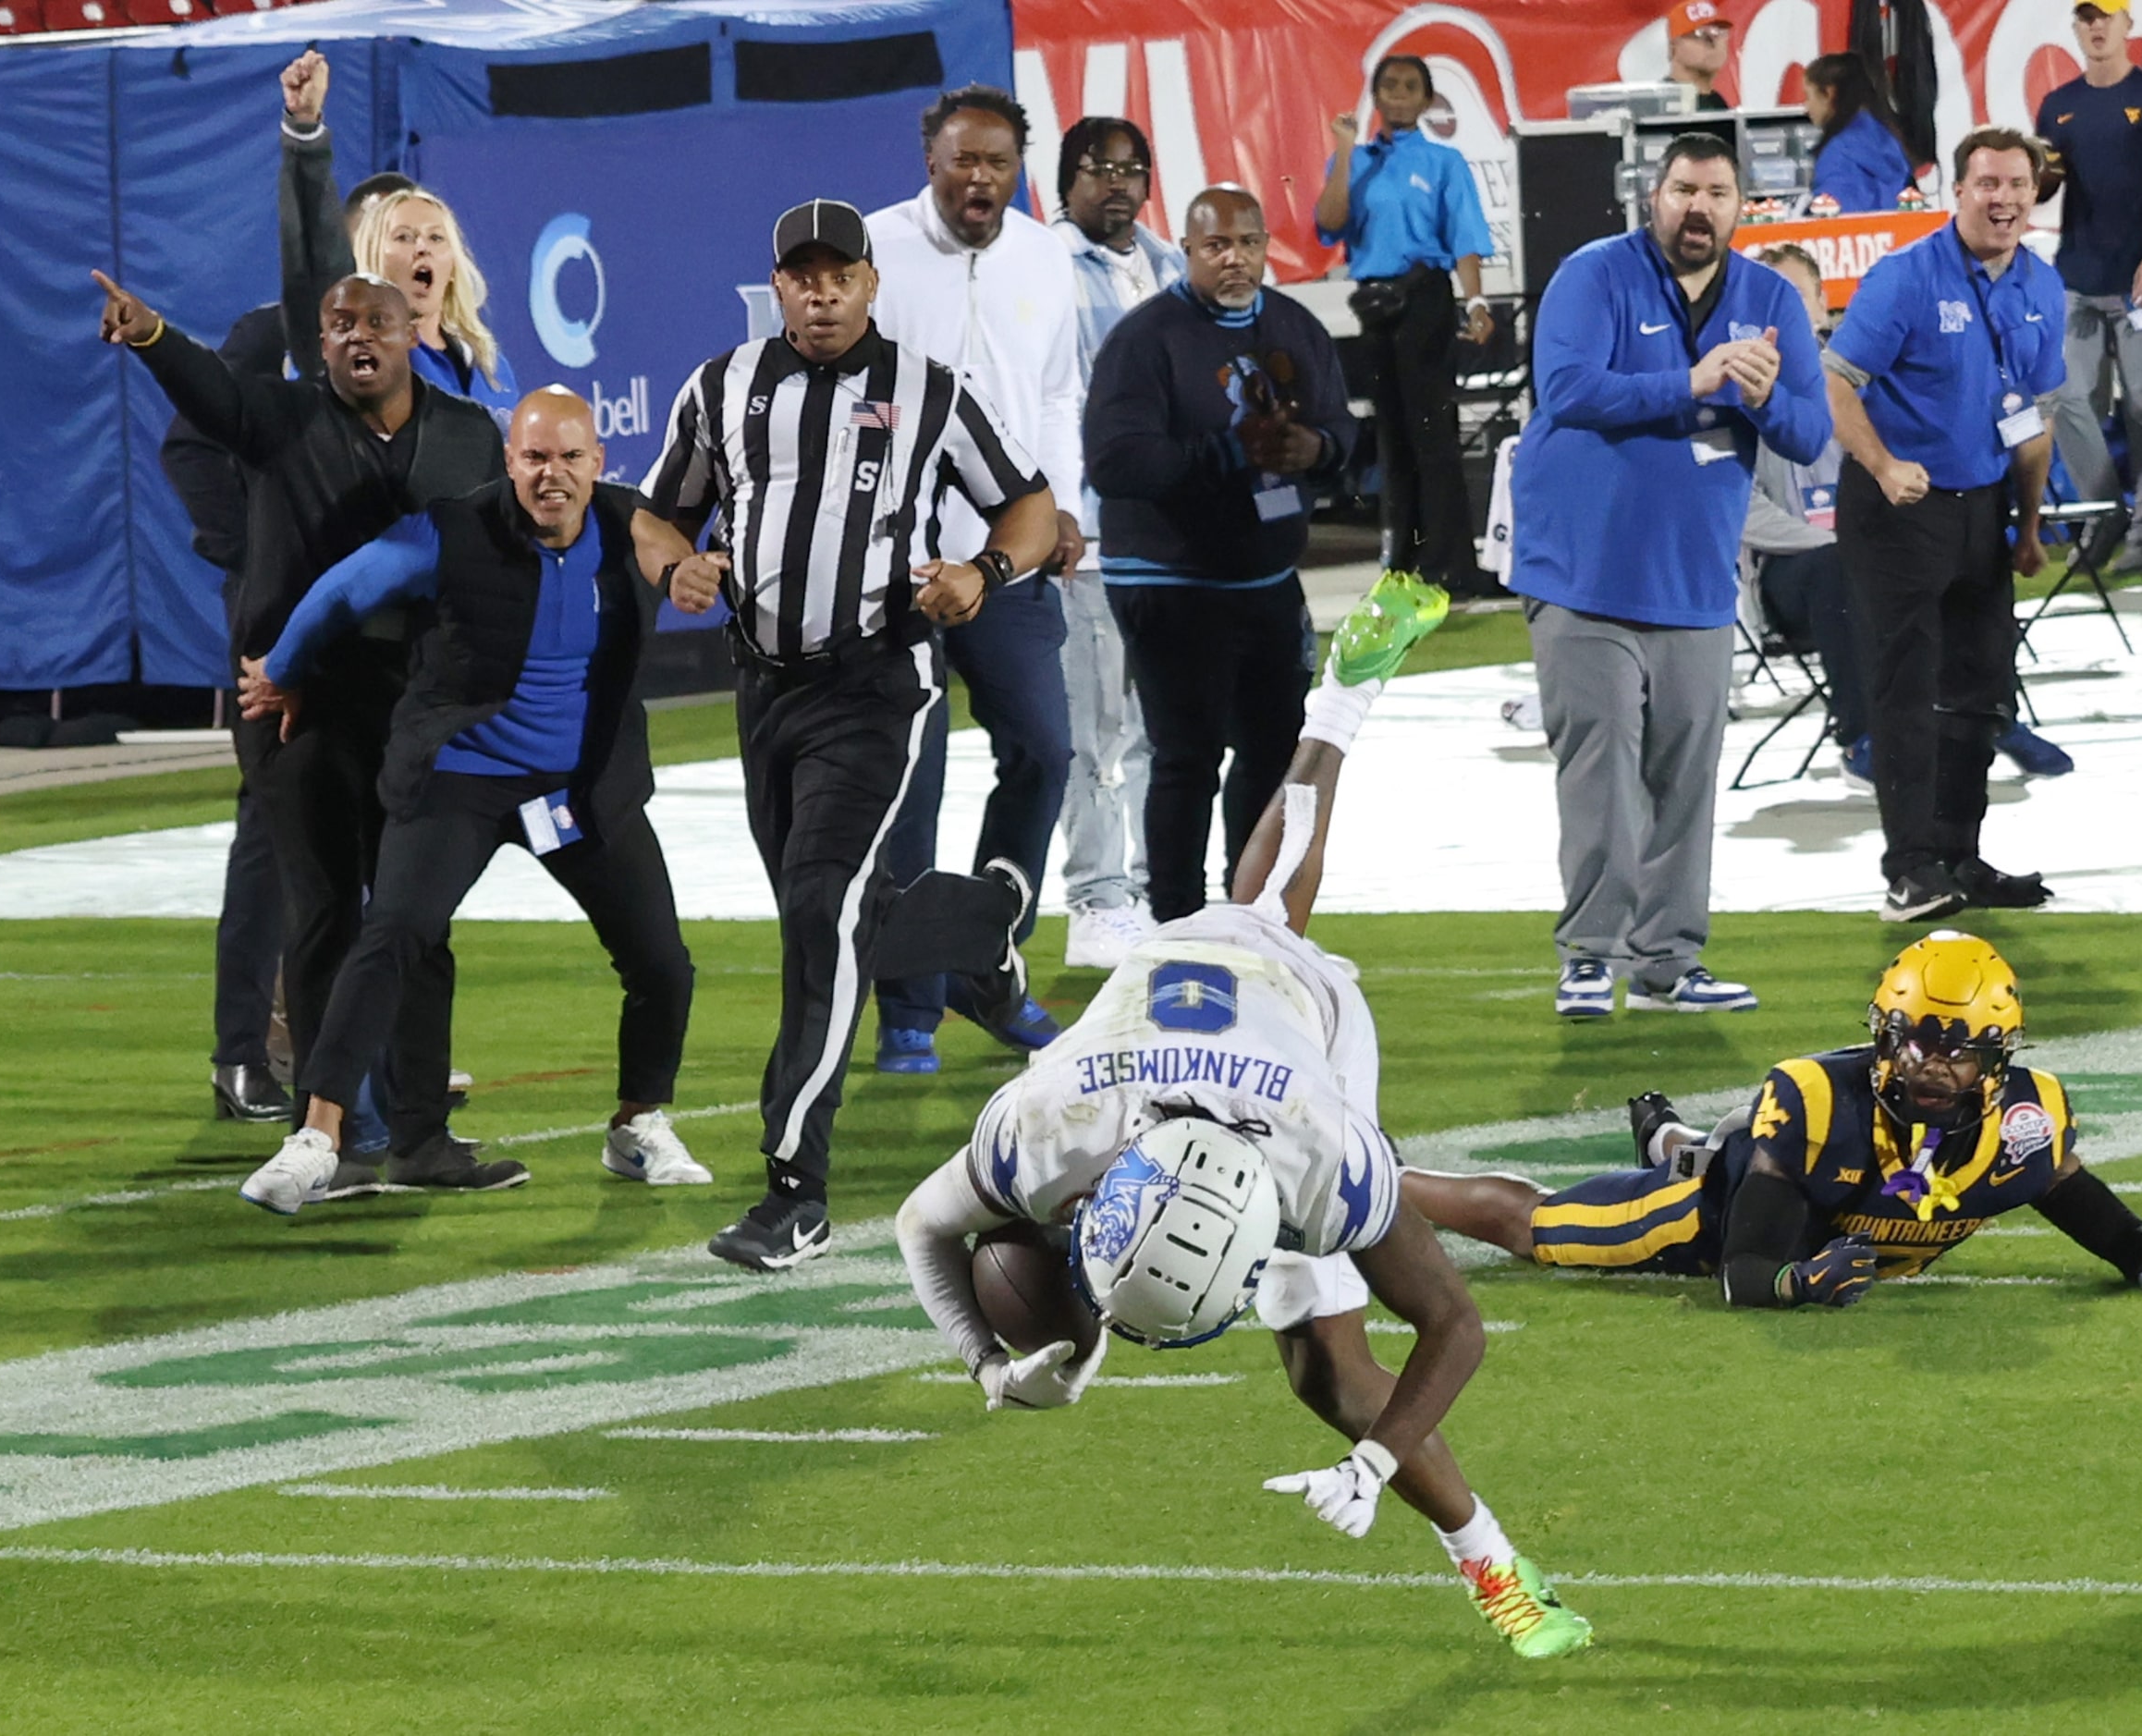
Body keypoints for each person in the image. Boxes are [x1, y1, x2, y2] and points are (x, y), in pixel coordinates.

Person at [892, 578, 1594, 1660]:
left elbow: (1454, 1326)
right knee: (1256, 900)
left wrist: (1373, 1462)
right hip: (1166, 998)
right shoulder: (1050, 1125)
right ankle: (1338, 702)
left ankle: (1496, 1566)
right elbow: (919, 1228)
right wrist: (987, 1364)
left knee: (1325, 1372)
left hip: (1303, 1026)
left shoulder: (1322, 1164)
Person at [633, 199, 1058, 1272]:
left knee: (818, 917)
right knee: (826, 911)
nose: (820, 293)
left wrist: (984, 573)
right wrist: (670, 565)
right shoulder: (722, 385)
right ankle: (976, 936)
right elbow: (654, 511)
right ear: (775, 287)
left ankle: (795, 1191)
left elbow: (1031, 506)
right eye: (800, 276)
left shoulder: (926, 391)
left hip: (878, 684)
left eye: (839, 275)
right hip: (764, 689)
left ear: (871, 282)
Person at [228, 389, 704, 1211]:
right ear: (509, 461)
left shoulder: (626, 523)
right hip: (463, 777)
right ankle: (317, 1139)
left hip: (577, 791)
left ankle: (637, 1125)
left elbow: (666, 551)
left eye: (569, 457)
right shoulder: (450, 530)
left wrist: (689, 573)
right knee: (394, 936)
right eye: (533, 458)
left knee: (662, 963)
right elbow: (343, 590)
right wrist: (283, 669)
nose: (550, 474)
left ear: (598, 463)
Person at [100, 265, 507, 1175]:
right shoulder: (282, 422)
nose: (357, 336)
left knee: (414, 918)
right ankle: (332, 1134)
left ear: (412, 337)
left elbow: (488, 574)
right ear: (318, 345)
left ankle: (419, 1131)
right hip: (296, 708)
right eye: (338, 324)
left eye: (376, 321)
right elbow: (208, 392)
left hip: (414, 710)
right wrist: (154, 336)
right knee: (324, 912)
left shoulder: (470, 438)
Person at [1403, 932, 2142, 1305]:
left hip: (1792, 1179)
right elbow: (1743, 1268)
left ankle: (1672, 1139)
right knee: (1540, 1228)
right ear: (1883, 1037)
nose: (1935, 1065)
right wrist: (1795, 1284)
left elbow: (2101, 1218)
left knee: (1714, 1148)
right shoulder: (1820, 1103)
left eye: (1960, 1050)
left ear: (1997, 1057)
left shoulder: (2027, 1121)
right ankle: (1378, 1178)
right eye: (1917, 1042)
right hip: (1717, 1217)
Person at [1505, 136, 1825, 1021]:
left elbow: (1806, 431)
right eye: (1684, 189)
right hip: (1582, 574)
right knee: (1601, 770)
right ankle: (1588, 957)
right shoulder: (1594, 275)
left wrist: (1758, 394)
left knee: (1685, 778)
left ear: (1740, 206)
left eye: (1718, 193)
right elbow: (1567, 387)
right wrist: (1695, 381)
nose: (1699, 207)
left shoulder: (1768, 301)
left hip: (1694, 583)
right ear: (1654, 196)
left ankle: (1668, 963)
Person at [162, 163, 419, 1127]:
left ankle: (383, 1071)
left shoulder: (429, 356)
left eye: (420, 241)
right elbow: (191, 447)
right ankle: (247, 1053)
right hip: (286, 641)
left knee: (389, 856)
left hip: (388, 648)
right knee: (278, 848)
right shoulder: (274, 338)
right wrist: (260, 552)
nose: (409, 256)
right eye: (392, 239)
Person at [863, 85, 1085, 1072]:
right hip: (894, 571)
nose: (979, 178)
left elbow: (1056, 391)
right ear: (930, 161)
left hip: (1009, 560)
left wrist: (1064, 502)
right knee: (910, 790)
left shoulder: (1045, 254)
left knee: (1044, 751)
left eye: (997, 162)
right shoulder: (871, 250)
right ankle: (908, 1004)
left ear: (1017, 168)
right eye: (962, 160)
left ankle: (986, 963)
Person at [1086, 187, 1359, 924]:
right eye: (1215, 246)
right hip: (1171, 580)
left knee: (1274, 756)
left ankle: (1250, 918)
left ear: (1267, 245)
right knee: (1186, 757)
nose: (1233, 259)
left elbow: (1344, 431)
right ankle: (1174, 925)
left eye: (1247, 243)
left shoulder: (1295, 326)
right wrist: (1227, 453)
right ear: (1187, 250)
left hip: (1266, 577)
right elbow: (1113, 463)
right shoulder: (1145, 340)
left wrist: (1318, 448)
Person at [1823, 128, 2066, 923]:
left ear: (2035, 194)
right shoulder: (1906, 278)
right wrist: (1885, 465)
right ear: (1955, 192)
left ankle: (1959, 855)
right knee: (1906, 689)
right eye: (1987, 183)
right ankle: (1910, 870)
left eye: (2017, 185)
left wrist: (2028, 528)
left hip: (1982, 504)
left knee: (1981, 691)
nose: (2003, 198)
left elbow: (2034, 418)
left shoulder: (2042, 286)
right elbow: (1837, 382)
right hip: (1899, 508)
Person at [1049, 115, 1180, 969]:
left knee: (1158, 727)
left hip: (1171, 538)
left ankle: (1153, 889)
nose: (1119, 185)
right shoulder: (1046, 268)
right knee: (1092, 727)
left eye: (1132, 169)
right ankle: (1095, 900)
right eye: (1099, 170)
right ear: (1064, 184)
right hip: (1090, 534)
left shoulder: (1171, 264)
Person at [1316, 54, 1499, 599]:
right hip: (1375, 307)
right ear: (1374, 96)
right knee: (1392, 438)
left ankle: (1451, 565)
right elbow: (1328, 224)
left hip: (1424, 301)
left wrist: (1476, 303)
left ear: (1426, 100)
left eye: (1409, 87)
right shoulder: (1356, 160)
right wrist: (1345, 153)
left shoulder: (1444, 162)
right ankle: (1405, 561)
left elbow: (1464, 237)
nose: (1397, 96)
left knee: (1432, 435)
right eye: (1388, 86)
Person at [2035, 0, 2142, 577]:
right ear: (2076, 28)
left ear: (2129, 24)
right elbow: (2044, 187)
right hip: (2079, 275)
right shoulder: (2059, 107)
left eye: (2105, 15)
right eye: (2085, 18)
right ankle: (2105, 512)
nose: (2096, 26)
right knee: (2063, 396)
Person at [279, 50, 521, 418]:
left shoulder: (490, 366)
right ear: (374, 258)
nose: (422, 248)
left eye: (436, 238)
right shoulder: (354, 352)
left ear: (453, 264)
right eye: (404, 237)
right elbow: (315, 252)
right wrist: (305, 132)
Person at [1743, 247, 1875, 774]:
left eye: (1795, 296)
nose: (1786, 312)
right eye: (1770, 300)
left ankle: (1989, 715)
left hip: (1872, 553)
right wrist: (1831, 545)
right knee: (1838, 570)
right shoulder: (1735, 391)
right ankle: (1860, 736)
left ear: (1824, 305)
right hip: (1790, 569)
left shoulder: (1860, 383)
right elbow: (1738, 507)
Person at [1804, 54, 1916, 214]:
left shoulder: (1837, 155)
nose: (1806, 108)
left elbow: (1834, 225)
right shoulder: (1886, 137)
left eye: (1808, 96)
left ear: (1829, 93)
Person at [1664, 0, 1734, 109]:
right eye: (1700, 33)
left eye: (1719, 32)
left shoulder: (1718, 103)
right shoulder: (1661, 102)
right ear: (1673, 47)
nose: (1714, 42)